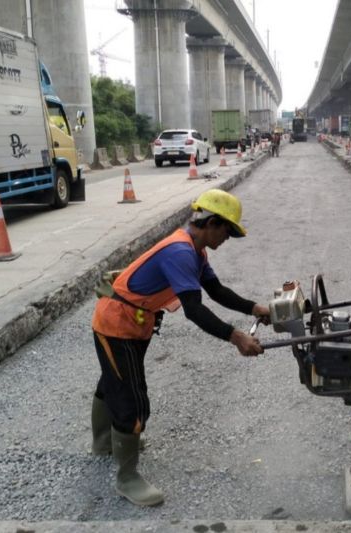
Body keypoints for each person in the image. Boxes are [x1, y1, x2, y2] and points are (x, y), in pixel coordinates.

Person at [90, 189, 270, 507]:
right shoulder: (180, 252)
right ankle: (127, 477)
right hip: (117, 326)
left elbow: (215, 290)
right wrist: (236, 337)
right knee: (132, 402)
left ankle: (106, 443)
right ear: (212, 223)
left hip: (133, 323)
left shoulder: (195, 251)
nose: (228, 238)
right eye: (227, 231)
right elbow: (194, 309)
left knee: (113, 383)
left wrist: (254, 308)